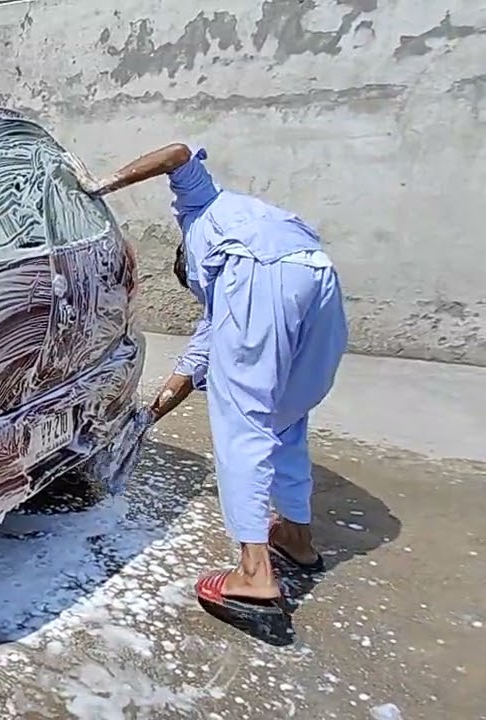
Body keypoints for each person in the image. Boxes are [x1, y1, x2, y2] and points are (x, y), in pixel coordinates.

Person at [146, 148, 348, 629]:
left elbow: (176, 154)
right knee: (285, 415)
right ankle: (296, 538)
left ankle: (255, 575)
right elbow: (196, 359)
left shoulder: (199, 209)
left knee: (242, 420)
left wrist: (100, 184)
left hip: (261, 272)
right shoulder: (246, 227)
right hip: (319, 277)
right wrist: (147, 416)